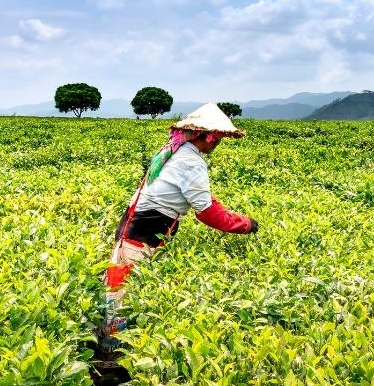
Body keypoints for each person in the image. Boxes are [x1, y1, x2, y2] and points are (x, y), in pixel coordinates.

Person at [98, 103, 258, 353]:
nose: (217, 144)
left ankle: (112, 348)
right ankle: (112, 356)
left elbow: (203, 198)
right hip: (140, 237)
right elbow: (207, 213)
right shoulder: (191, 162)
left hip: (134, 231)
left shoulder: (175, 151)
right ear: (203, 136)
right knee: (121, 295)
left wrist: (233, 215)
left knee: (118, 288)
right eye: (216, 138)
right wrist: (244, 225)